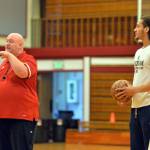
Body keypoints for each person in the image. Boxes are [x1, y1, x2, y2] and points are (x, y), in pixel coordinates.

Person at [115, 16, 150, 150]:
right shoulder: (138, 52)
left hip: (148, 107)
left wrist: (134, 90)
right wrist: (127, 96)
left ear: (146, 29)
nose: (134, 29)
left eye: (138, 26)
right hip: (135, 109)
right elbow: (139, 79)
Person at [0, 33, 39, 150]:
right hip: (2, 116)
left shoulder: (29, 59)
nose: (7, 44)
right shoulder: (3, 64)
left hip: (21, 117)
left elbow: (22, 73)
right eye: (6, 41)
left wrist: (10, 56)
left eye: (11, 41)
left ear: (21, 45)